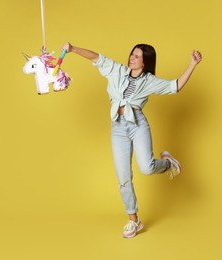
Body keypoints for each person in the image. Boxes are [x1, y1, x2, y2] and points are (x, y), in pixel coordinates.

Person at [62, 42, 202, 238]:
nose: (132, 58)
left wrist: (192, 65)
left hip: (137, 124)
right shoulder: (117, 71)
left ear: (145, 62)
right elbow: (97, 58)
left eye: (137, 56)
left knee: (147, 167)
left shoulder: (149, 80)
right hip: (118, 127)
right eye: (132, 54)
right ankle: (133, 220)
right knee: (123, 177)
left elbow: (175, 86)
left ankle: (167, 163)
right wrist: (73, 49)